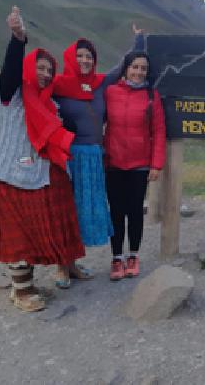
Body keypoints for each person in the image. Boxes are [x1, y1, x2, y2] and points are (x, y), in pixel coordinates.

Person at [0, 6, 86, 312]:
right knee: (18, 234)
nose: (46, 74)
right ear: (28, 68)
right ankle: (22, 291)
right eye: (40, 68)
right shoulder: (8, 92)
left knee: (44, 222)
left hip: (33, 173)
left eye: (49, 70)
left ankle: (38, 279)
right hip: (6, 174)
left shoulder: (47, 103)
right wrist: (18, 39)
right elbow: (12, 69)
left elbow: (69, 128)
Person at [48, 38, 114, 288]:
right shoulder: (58, 84)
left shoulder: (98, 85)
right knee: (66, 208)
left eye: (89, 56)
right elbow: (33, 89)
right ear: (70, 58)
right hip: (69, 156)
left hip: (93, 156)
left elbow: (122, 69)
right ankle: (61, 268)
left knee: (82, 211)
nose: (85, 60)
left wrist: (140, 41)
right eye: (80, 56)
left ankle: (73, 264)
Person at [103, 49, 166, 281]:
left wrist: (156, 164)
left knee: (135, 212)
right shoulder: (110, 92)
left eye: (143, 68)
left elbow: (158, 131)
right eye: (135, 67)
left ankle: (133, 256)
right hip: (113, 162)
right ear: (126, 68)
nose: (139, 72)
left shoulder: (151, 96)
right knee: (116, 213)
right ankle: (117, 258)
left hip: (140, 164)